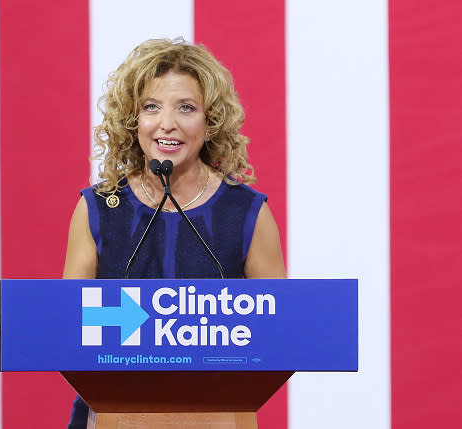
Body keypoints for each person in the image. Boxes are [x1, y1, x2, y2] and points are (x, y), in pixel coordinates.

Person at [62, 38, 285, 429]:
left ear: (210, 120)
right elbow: (67, 325)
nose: (168, 123)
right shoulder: (98, 209)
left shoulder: (247, 212)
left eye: (187, 108)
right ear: (132, 120)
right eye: (151, 107)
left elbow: (278, 332)